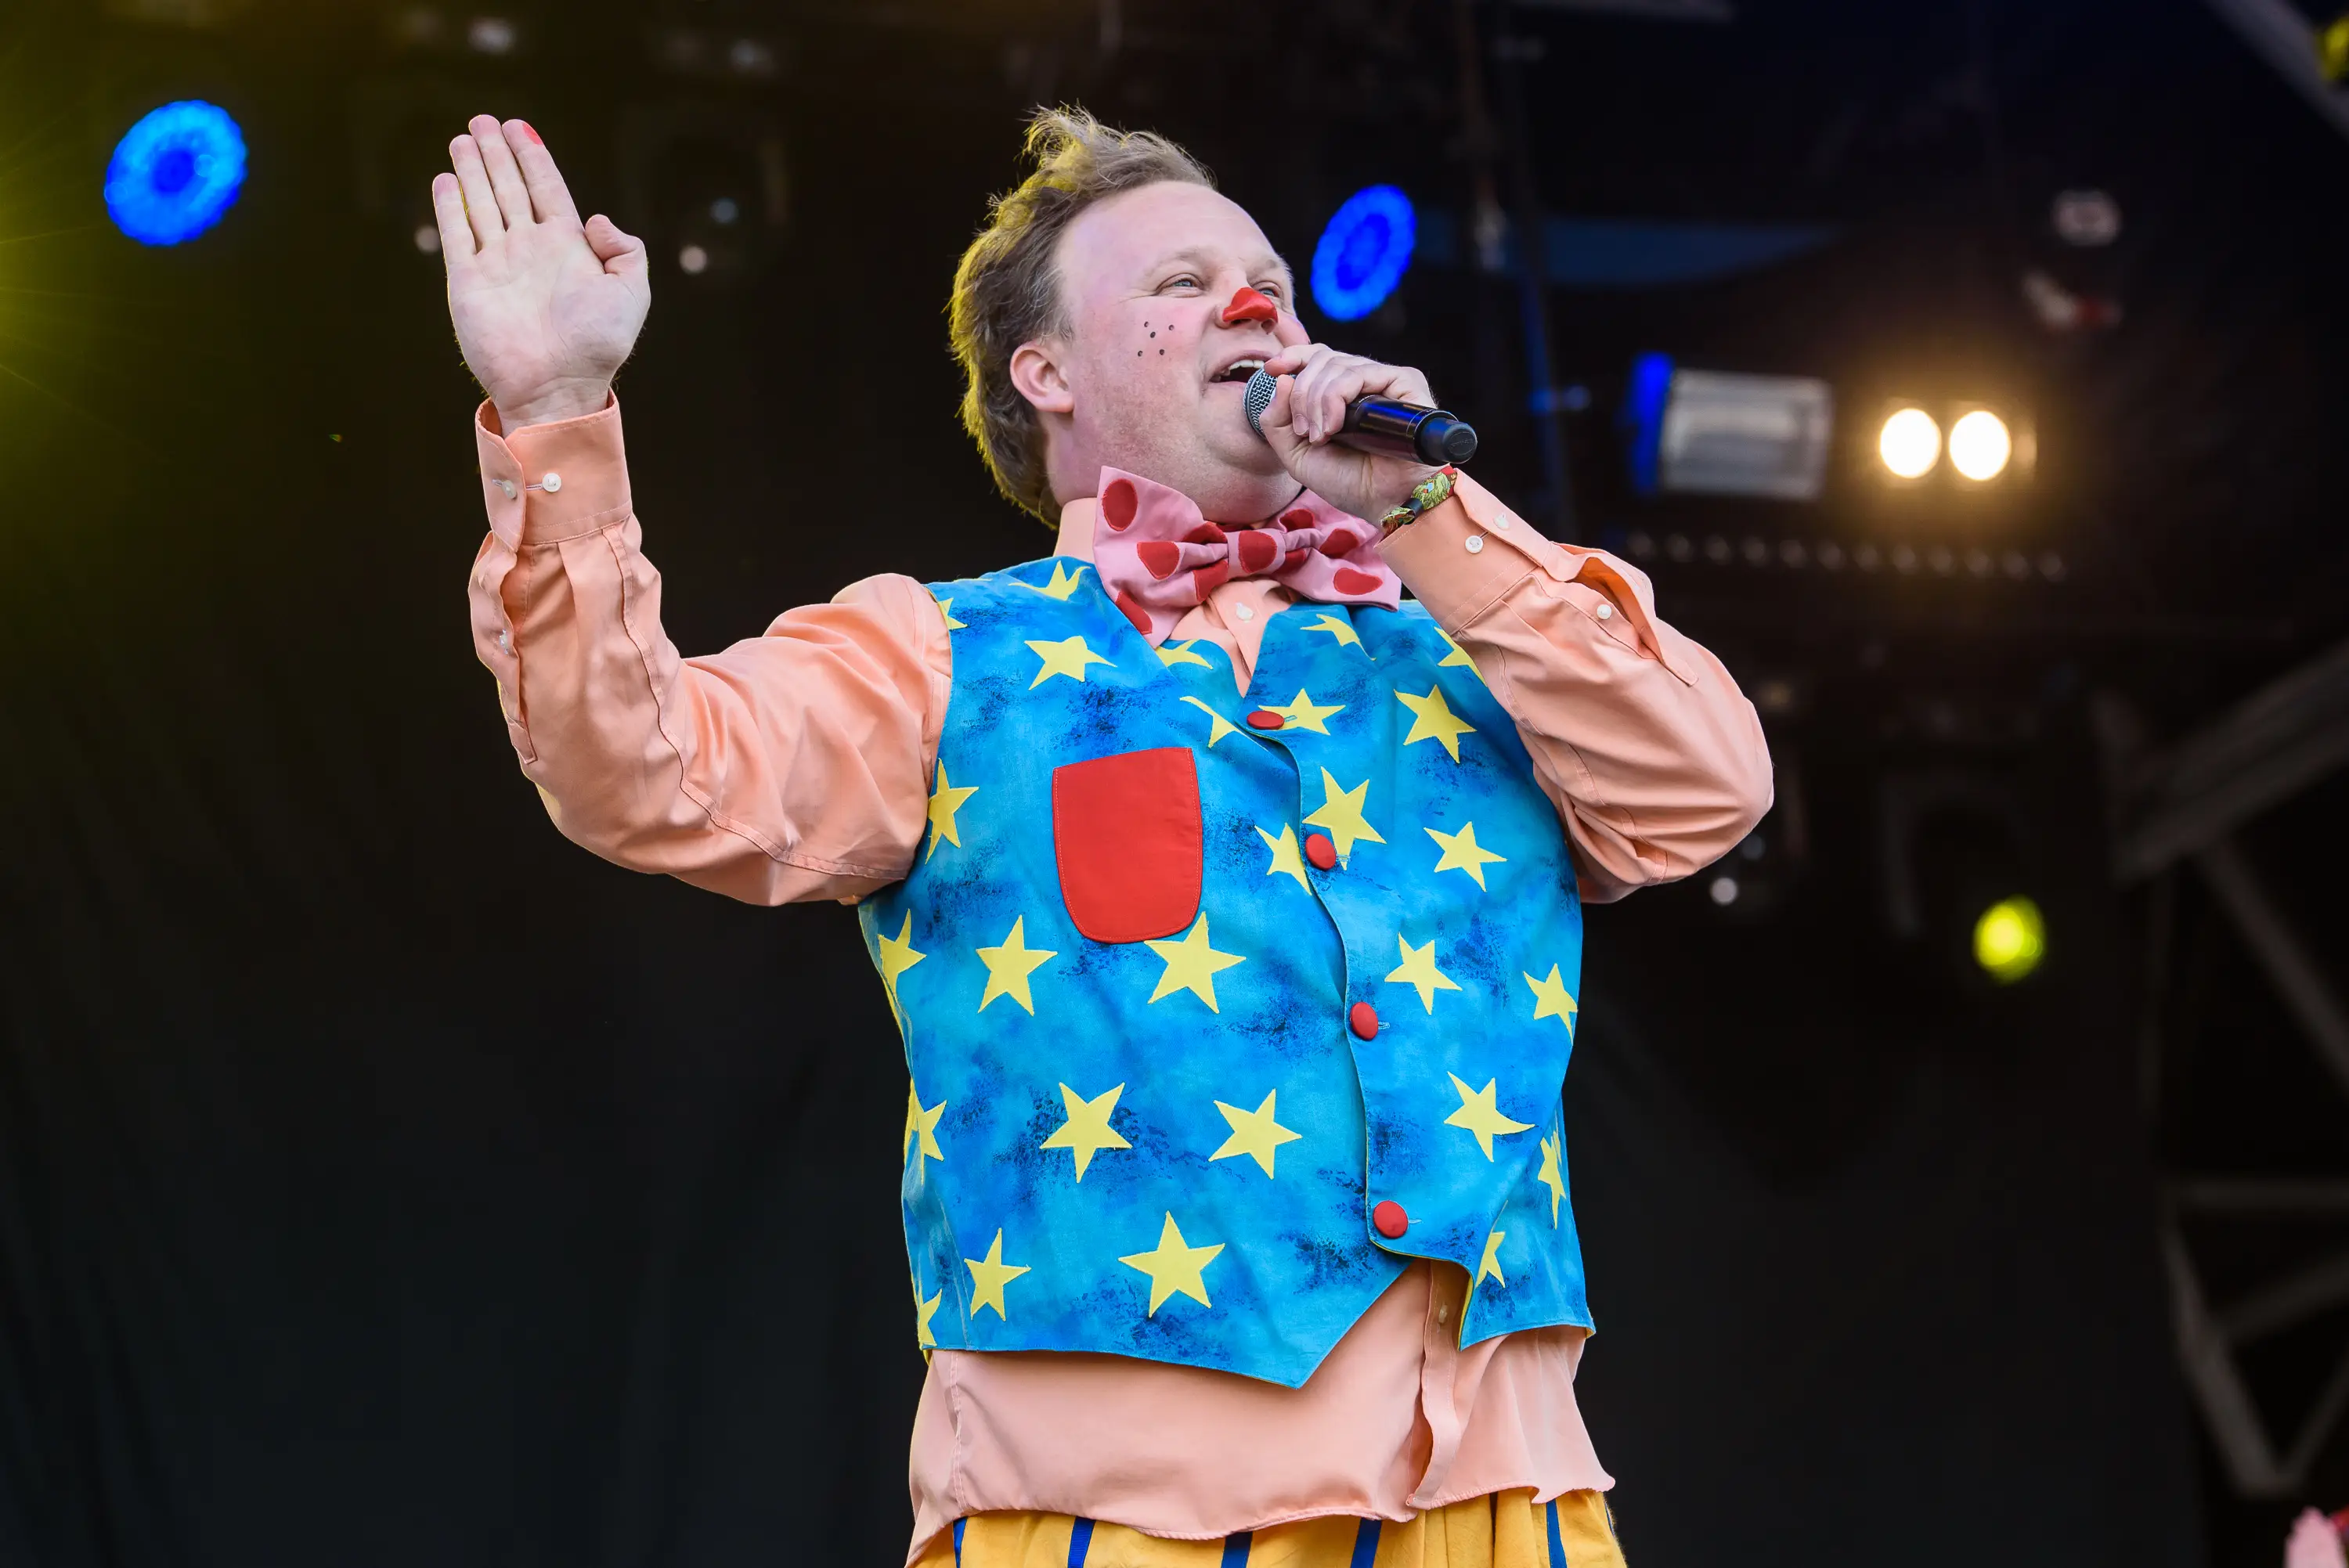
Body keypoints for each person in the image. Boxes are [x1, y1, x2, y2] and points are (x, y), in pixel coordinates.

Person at [433, 106, 1772, 1568]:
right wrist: (562, 409)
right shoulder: (943, 655)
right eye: (1181, 286)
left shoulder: (1470, 634)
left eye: (1267, 277)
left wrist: (1430, 513)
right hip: (1112, 1517)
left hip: (1511, 1499)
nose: (1254, 303)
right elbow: (639, 767)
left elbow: (1704, 791)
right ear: (1046, 373)